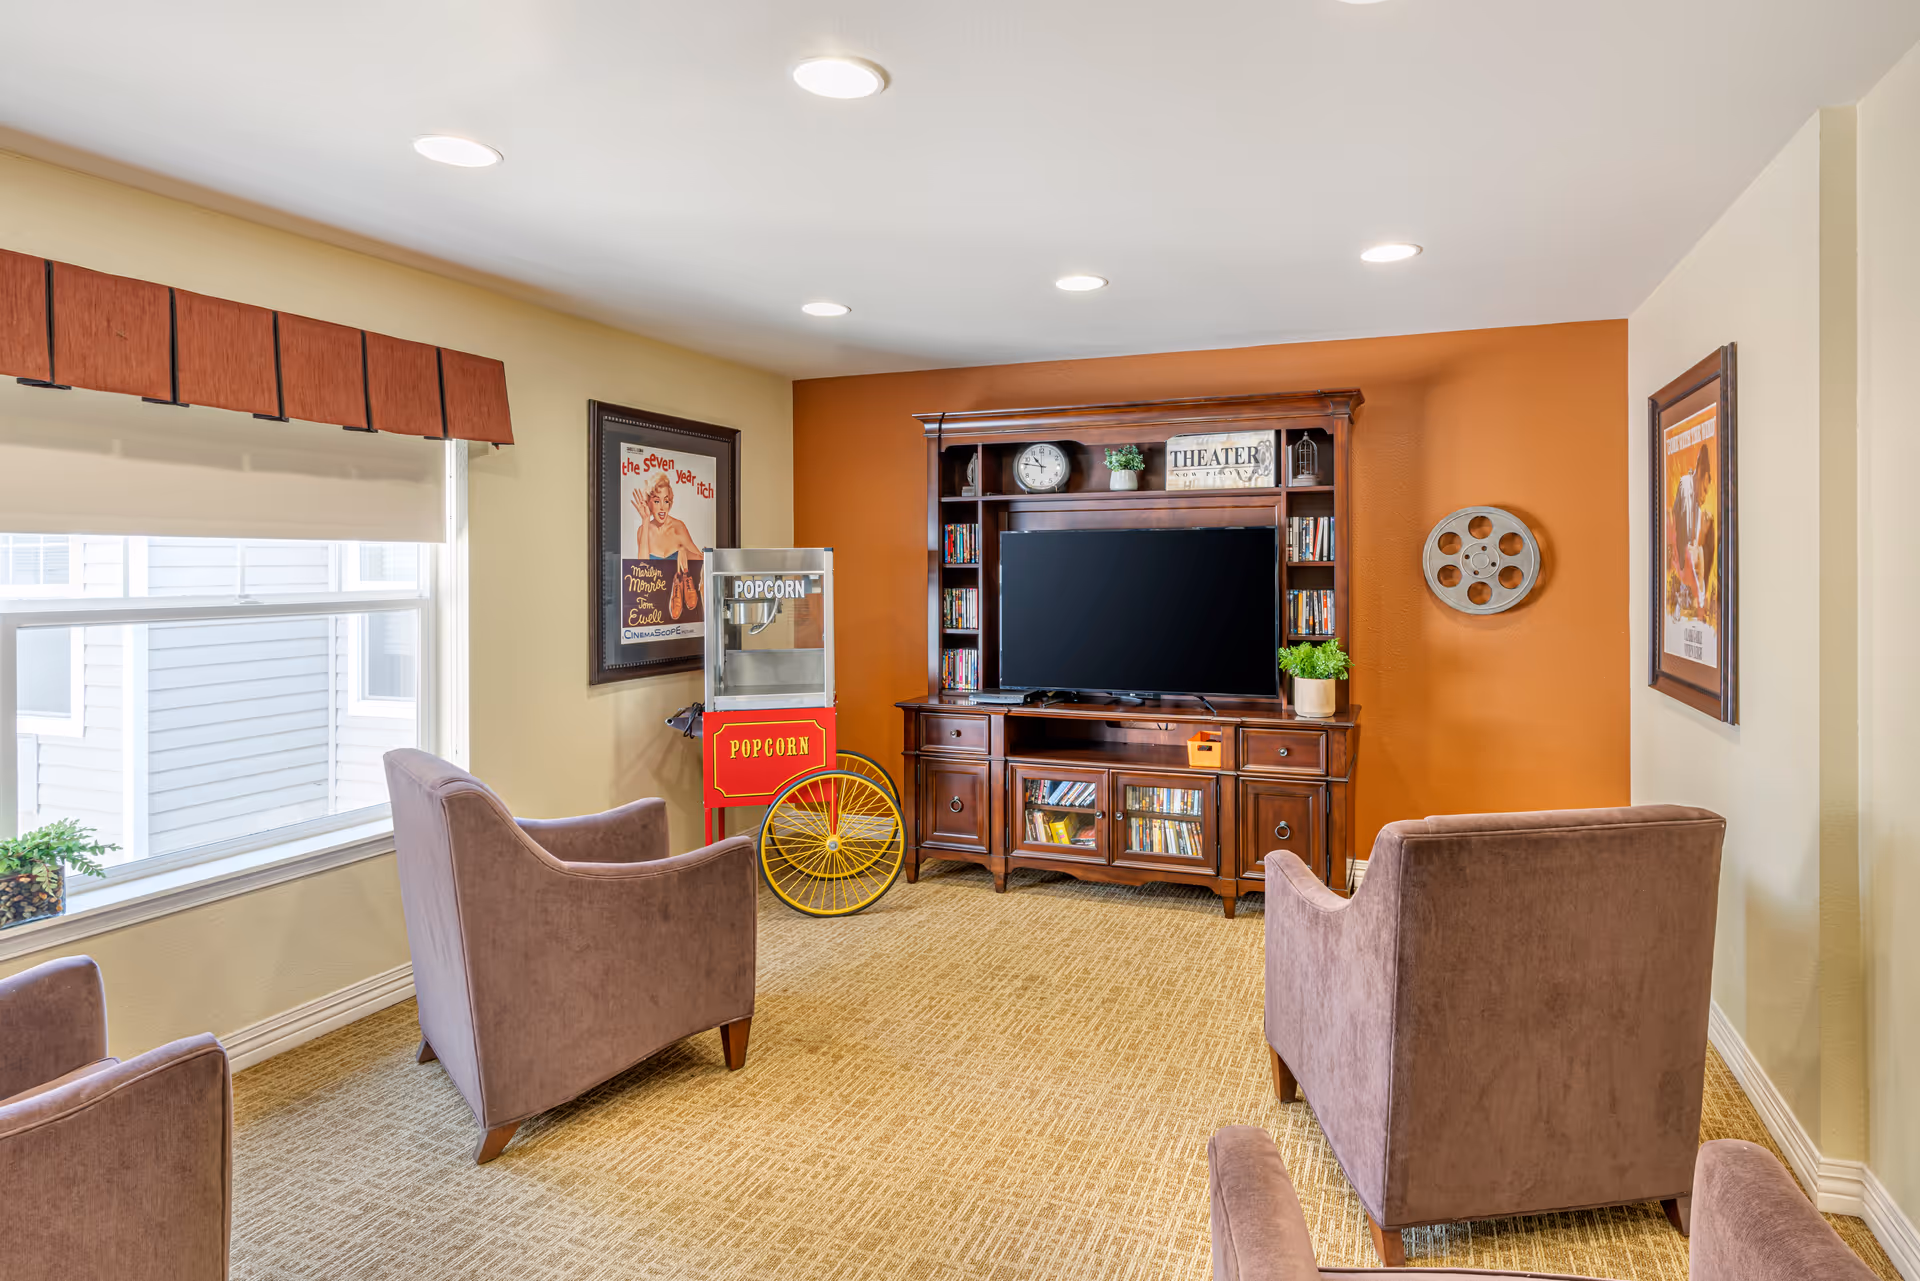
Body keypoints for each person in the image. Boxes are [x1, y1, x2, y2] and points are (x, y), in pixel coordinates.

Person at [630, 472, 702, 619]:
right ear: (649, 503)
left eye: (666, 501)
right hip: (654, 603)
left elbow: (701, 560)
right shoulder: (643, 531)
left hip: (681, 601)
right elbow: (642, 568)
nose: (662, 507)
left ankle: (681, 584)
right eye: (657, 501)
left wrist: (684, 552)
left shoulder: (678, 527)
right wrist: (645, 520)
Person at [1668, 443, 1715, 619]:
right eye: (1704, 489)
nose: (1704, 496)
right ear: (1701, 475)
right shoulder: (1687, 488)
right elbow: (1686, 545)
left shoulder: (1696, 503)